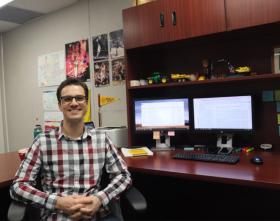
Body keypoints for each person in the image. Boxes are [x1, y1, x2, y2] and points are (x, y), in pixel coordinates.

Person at [10, 78, 131, 221]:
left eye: (79, 98)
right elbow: (18, 186)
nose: (74, 103)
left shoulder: (102, 139)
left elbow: (124, 176)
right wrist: (57, 202)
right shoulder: (42, 142)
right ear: (60, 105)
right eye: (67, 99)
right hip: (57, 215)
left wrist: (99, 199)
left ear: (86, 103)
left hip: (96, 215)